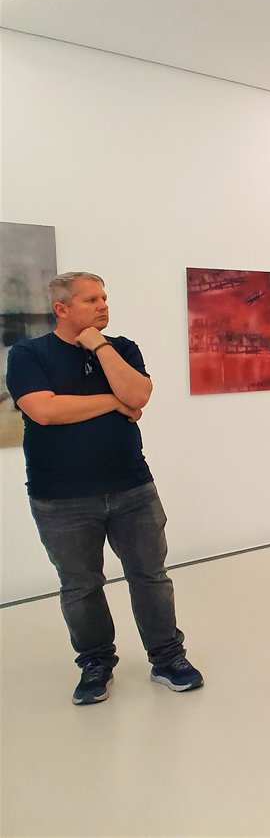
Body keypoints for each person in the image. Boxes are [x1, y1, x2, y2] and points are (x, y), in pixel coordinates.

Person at [5, 272, 203, 704]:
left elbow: (139, 393)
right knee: (80, 586)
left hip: (132, 487)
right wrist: (114, 403)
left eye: (104, 297)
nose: (102, 305)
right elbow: (44, 410)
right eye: (91, 299)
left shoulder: (122, 348)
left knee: (151, 576)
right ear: (62, 308)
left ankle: (167, 657)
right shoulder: (28, 353)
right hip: (60, 498)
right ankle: (96, 662)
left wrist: (97, 344)